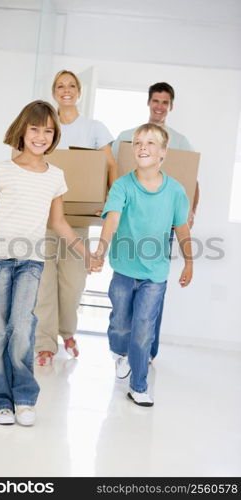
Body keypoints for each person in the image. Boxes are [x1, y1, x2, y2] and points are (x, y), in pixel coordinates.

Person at [0, 100, 103, 426]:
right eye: (35, 129)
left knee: (22, 330)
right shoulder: (1, 170)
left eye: (48, 130)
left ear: (54, 135)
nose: (41, 136)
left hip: (31, 262)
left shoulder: (55, 176)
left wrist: (85, 253)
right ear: (22, 130)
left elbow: (60, 223)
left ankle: (24, 397)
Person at [94, 123, 193, 406]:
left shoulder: (175, 191)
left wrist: (189, 263)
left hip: (155, 275)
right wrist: (100, 250)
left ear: (163, 152)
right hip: (124, 270)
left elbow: (182, 229)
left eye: (150, 143)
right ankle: (118, 352)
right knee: (121, 326)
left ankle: (139, 386)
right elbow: (112, 218)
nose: (143, 148)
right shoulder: (123, 185)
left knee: (143, 329)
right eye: (138, 143)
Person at [34, 70, 118, 366]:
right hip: (43, 214)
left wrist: (109, 201)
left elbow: (110, 166)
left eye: (71, 86)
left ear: (79, 91)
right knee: (43, 282)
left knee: (72, 282)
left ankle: (66, 331)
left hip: (77, 216)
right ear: (54, 92)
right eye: (60, 86)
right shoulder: (44, 125)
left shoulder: (93, 127)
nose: (65, 90)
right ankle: (45, 343)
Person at [113, 82, 199, 361]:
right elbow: (113, 173)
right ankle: (123, 348)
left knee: (154, 286)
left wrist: (190, 213)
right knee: (123, 289)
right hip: (130, 222)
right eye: (155, 101)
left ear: (170, 106)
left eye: (165, 102)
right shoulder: (129, 137)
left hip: (162, 225)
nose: (159, 106)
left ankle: (147, 351)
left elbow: (192, 180)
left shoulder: (181, 141)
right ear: (148, 103)